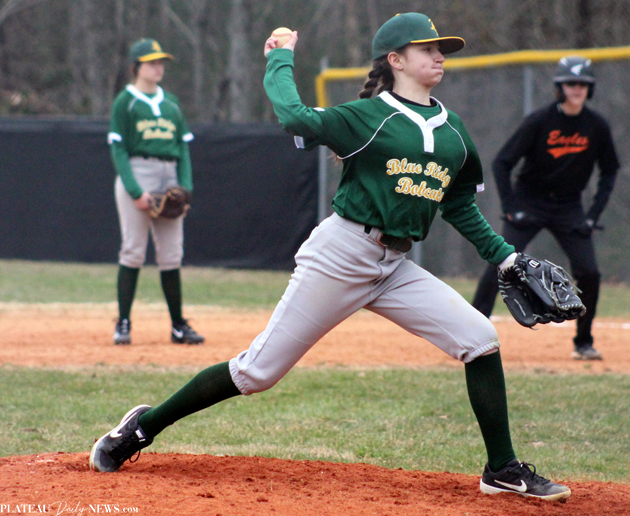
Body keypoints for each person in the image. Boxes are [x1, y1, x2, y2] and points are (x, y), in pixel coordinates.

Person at [90, 14, 570, 501]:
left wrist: (507, 259)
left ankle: (501, 468)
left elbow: (459, 206)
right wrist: (280, 58)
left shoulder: (454, 132)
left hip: (395, 266)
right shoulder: (369, 116)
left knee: (480, 338)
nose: (438, 56)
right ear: (396, 59)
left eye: (440, 49)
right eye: (426, 48)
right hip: (341, 255)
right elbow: (295, 118)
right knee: (256, 372)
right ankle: (141, 428)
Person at [472, 56, 620, 361]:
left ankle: (583, 342)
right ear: (559, 87)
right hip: (530, 201)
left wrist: (592, 216)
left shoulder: (596, 126)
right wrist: (511, 207)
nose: (576, 88)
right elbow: (502, 162)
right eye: (570, 83)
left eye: (582, 84)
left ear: (590, 88)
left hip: (569, 206)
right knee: (499, 261)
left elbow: (610, 170)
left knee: (589, 272)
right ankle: (470, 332)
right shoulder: (540, 121)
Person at [107, 38, 204, 346]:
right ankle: (123, 323)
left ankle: (178, 326)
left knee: (172, 254)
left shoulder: (171, 103)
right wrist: (135, 191)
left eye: (161, 62)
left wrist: (185, 188)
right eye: (152, 62)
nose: (158, 67)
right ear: (137, 67)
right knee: (133, 251)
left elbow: (183, 149)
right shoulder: (126, 101)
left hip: (169, 174)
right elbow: (118, 149)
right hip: (139, 171)